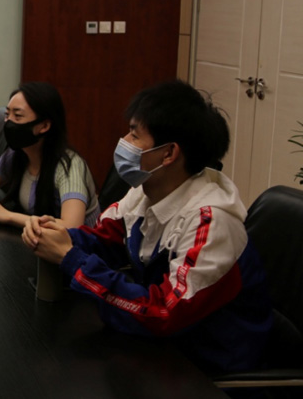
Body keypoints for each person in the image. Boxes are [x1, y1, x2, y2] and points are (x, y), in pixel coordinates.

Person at [22, 80, 272, 374]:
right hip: (160, 349)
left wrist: (71, 258)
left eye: (134, 134)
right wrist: (58, 236)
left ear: (169, 154)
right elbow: (105, 239)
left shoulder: (211, 223)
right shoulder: (147, 190)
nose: (124, 141)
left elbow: (163, 313)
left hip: (206, 368)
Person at [0, 82, 99, 229]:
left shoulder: (70, 166)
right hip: (37, 237)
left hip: (78, 243)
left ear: (44, 126)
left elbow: (72, 226)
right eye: (7, 115)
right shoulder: (19, 152)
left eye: (18, 116)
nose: (8, 122)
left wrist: (8, 216)